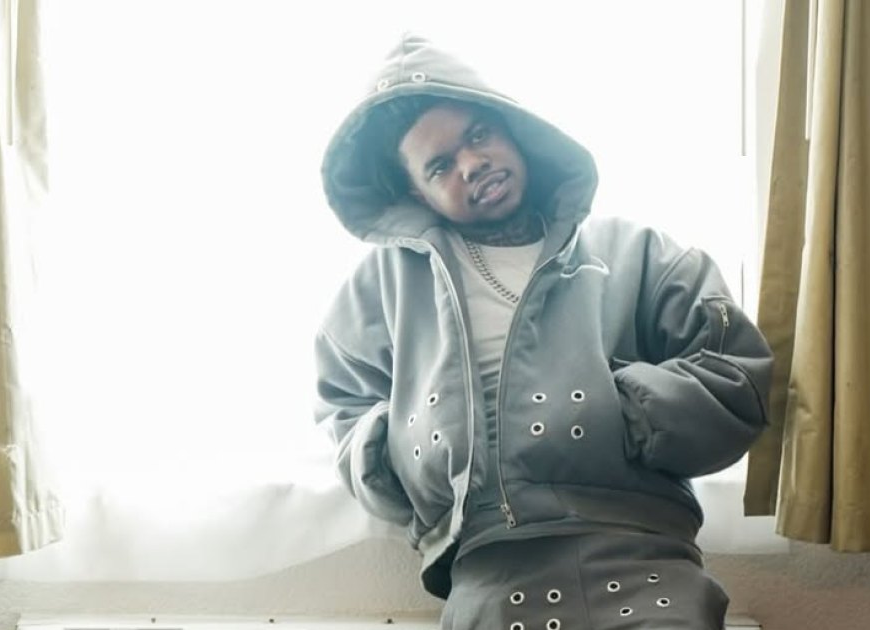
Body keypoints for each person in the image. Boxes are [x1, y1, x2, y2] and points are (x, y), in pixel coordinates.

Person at [315, 34, 773, 630]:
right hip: (486, 567)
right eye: (440, 165)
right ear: (414, 192)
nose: (472, 163)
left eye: (478, 135)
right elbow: (344, 405)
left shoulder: (636, 252)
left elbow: (736, 374)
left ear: (512, 128)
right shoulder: (379, 288)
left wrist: (620, 408)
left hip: (644, 546)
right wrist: (408, 444)